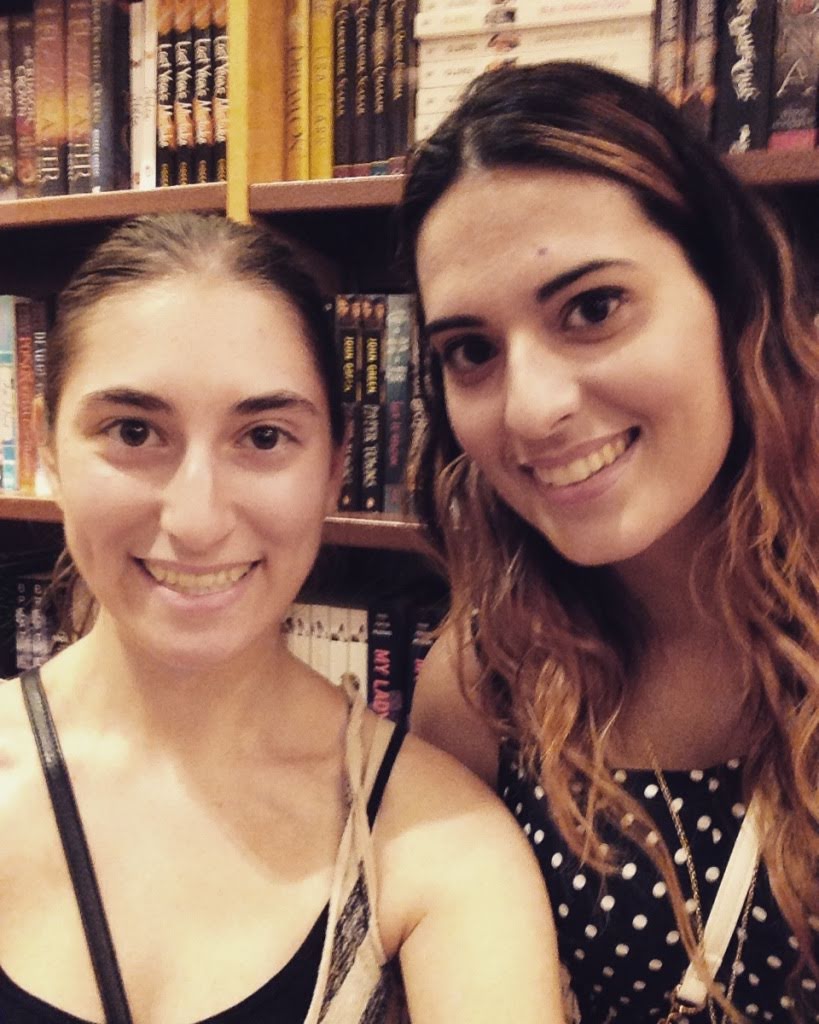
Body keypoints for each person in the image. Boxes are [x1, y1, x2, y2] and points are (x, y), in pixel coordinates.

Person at [0, 212, 563, 1023]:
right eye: (133, 432)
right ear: (48, 450)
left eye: (263, 436)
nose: (196, 520)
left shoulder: (437, 842)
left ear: (333, 470)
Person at [400, 62, 819, 1024]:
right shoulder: (482, 686)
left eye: (591, 308)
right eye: (471, 350)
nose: (531, 408)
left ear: (730, 297)